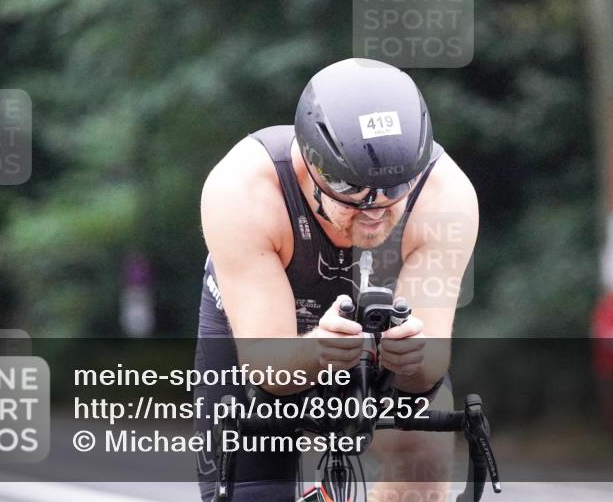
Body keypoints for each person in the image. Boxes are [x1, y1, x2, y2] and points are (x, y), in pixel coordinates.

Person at [195, 58, 479, 502]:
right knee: (253, 488)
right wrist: (316, 349)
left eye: (392, 193)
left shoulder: (446, 196)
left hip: (378, 356)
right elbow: (268, 370)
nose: (374, 212)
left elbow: (425, 373)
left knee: (422, 458)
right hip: (268, 345)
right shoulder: (244, 190)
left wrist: (410, 358)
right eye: (352, 194)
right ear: (312, 169)